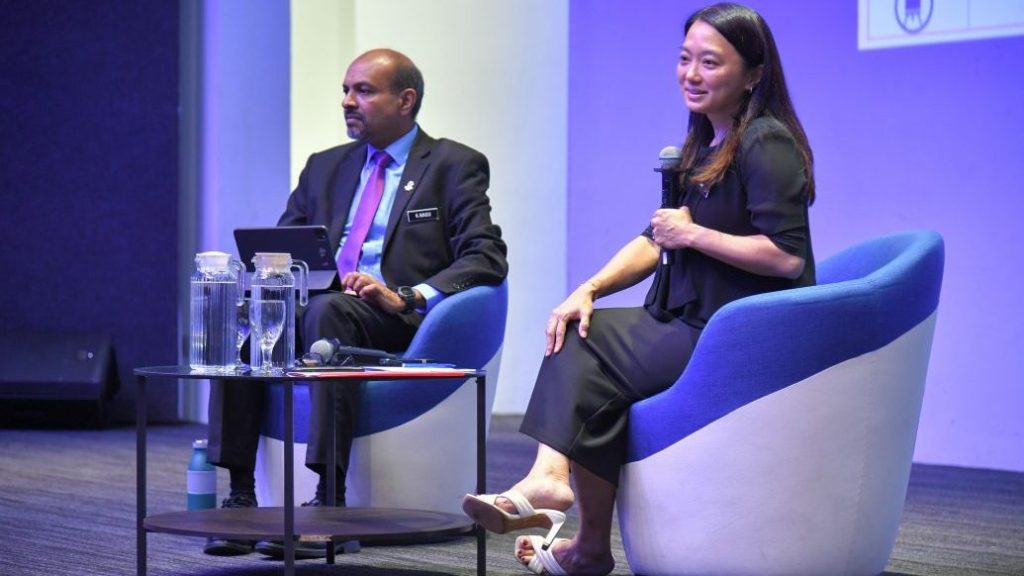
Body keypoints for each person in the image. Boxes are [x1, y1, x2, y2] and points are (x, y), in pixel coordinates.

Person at [461, 3, 815, 575]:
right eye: (684, 59)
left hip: (735, 333)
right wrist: (589, 288)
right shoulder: (706, 143)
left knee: (587, 347)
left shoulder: (765, 141)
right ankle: (580, 530)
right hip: (690, 319)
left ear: (753, 74)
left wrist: (693, 234)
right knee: (579, 327)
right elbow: (654, 239)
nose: (691, 74)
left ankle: (556, 492)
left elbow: (786, 256)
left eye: (710, 62)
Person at [204, 48, 508, 559]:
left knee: (330, 314)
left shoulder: (453, 165)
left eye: (363, 91)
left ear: (405, 100)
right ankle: (240, 498)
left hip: (393, 319)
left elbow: (486, 254)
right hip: (321, 309)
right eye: (346, 90)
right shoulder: (324, 167)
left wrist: (407, 296)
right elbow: (281, 250)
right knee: (252, 321)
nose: (347, 101)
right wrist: (265, 282)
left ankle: (329, 505)